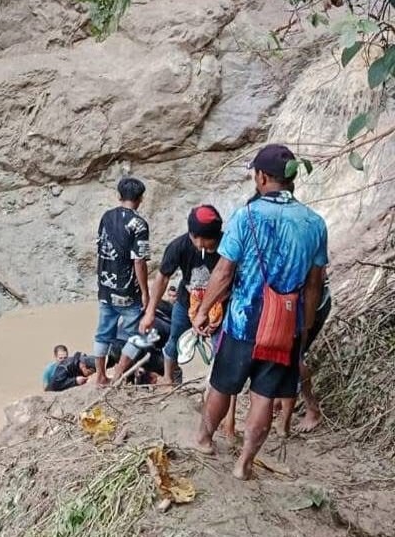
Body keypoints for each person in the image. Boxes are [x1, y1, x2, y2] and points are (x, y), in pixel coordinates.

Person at [192, 144, 328, 480]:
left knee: (222, 386)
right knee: (264, 397)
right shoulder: (314, 223)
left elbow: (223, 273)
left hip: (243, 322)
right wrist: (304, 327)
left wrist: (203, 311)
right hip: (285, 327)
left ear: (263, 177)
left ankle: (204, 441)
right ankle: (244, 465)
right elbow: (314, 285)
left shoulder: (246, 216)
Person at [140, 205, 225, 386]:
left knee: (222, 348)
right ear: (195, 237)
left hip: (220, 305)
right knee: (174, 341)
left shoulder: (227, 247)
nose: (204, 245)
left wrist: (214, 314)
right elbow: (162, 278)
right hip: (186, 302)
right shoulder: (179, 246)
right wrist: (150, 312)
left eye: (212, 240)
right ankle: (168, 378)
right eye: (199, 239)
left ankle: (216, 386)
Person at [93, 176, 151, 386]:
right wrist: (145, 292)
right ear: (140, 198)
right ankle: (118, 373)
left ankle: (100, 376)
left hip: (106, 288)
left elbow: (101, 249)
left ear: (119, 196)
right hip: (128, 292)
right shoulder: (139, 224)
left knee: (103, 333)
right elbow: (139, 261)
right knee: (137, 335)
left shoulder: (106, 217)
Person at [276, 271, 331, 435]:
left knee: (293, 358)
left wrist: (306, 322)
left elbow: (315, 281)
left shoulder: (308, 247)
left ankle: (312, 409)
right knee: (284, 355)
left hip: (310, 306)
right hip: (293, 304)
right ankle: (280, 399)